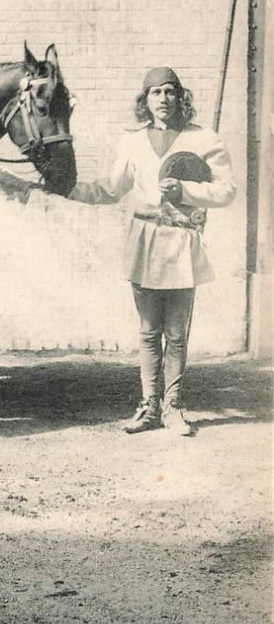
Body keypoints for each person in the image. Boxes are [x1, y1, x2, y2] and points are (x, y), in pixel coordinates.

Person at [66, 67, 236, 436]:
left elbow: (226, 191)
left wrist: (187, 192)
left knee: (176, 332)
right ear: (145, 100)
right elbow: (111, 189)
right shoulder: (132, 140)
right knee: (147, 330)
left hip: (180, 240)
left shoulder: (204, 138)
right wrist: (67, 187)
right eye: (155, 92)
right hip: (144, 239)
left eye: (170, 91)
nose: (163, 99)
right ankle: (148, 407)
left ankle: (173, 407)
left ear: (181, 97)